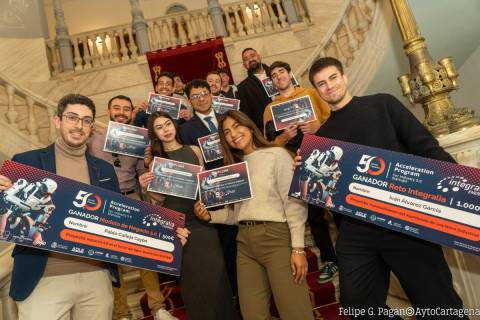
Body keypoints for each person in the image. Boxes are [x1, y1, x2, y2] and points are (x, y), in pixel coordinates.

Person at [299, 57, 466, 318]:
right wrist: (306, 170)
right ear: (317, 92)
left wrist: (463, 188)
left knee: (437, 301)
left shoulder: (382, 104)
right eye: (321, 83)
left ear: (344, 77)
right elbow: (323, 196)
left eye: (332, 78)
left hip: (403, 220)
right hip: (356, 231)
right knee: (357, 306)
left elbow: (426, 147)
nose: (329, 86)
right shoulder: (319, 140)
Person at [0, 94, 120, 320]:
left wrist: (168, 236)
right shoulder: (26, 162)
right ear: (57, 121)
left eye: (86, 120)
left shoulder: (104, 170)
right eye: (72, 117)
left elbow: (119, 221)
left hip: (96, 278)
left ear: (92, 127)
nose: (79, 125)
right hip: (43, 279)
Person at [194, 110, 314, 320]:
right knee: (252, 314)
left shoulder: (277, 154)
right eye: (227, 132)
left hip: (276, 239)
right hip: (245, 244)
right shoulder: (234, 168)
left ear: (249, 126)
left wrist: (298, 248)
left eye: (237, 126)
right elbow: (236, 214)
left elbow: (294, 203)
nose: (233, 134)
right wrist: (209, 217)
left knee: (295, 311)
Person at [138, 111, 238, 320]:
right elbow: (160, 200)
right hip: (179, 227)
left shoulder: (194, 150)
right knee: (193, 282)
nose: (166, 129)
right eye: (159, 127)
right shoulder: (156, 161)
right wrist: (147, 189)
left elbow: (203, 186)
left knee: (216, 274)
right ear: (154, 134)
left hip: (202, 220)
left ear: (175, 125)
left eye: (168, 124)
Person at [87, 95, 177, 320]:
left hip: (132, 197)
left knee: (145, 254)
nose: (121, 112)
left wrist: (147, 165)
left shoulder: (139, 141)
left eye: (126, 109)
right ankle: (122, 313)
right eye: (116, 108)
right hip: (104, 202)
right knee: (112, 259)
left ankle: (158, 308)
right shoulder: (93, 140)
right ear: (108, 110)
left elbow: (140, 174)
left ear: (131, 113)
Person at [265, 60, 338, 283]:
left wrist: (318, 128)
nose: (279, 76)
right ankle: (330, 260)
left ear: (290, 74)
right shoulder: (270, 109)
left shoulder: (310, 94)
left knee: (340, 207)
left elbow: (335, 118)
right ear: (271, 82)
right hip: (296, 163)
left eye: (281, 72)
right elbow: (267, 145)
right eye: (274, 75)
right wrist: (283, 138)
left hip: (325, 157)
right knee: (315, 215)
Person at [179, 79, 238, 298]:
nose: (201, 98)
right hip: (214, 192)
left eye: (204, 93)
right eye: (195, 96)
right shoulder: (185, 130)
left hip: (239, 182)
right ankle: (234, 293)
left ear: (211, 94)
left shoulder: (227, 119)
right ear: (189, 101)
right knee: (227, 243)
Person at [237, 48, 273, 133]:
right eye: (246, 59)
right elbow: (247, 117)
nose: (250, 59)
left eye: (252, 56)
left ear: (259, 57)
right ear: (244, 65)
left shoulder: (278, 72)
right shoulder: (242, 88)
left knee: (309, 145)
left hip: (294, 122)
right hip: (268, 133)